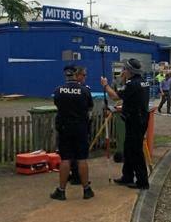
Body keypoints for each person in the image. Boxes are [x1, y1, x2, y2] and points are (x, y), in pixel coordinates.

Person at [101, 58, 150, 190]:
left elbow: (115, 96)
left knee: (135, 151)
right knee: (128, 149)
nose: (123, 71)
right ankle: (127, 176)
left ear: (129, 71)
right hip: (140, 118)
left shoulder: (132, 84)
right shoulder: (143, 82)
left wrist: (105, 85)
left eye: (124, 69)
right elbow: (133, 99)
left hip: (135, 121)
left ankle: (142, 181)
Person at [50, 65, 94, 201]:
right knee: (82, 159)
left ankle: (61, 191)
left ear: (66, 76)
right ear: (76, 75)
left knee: (65, 159)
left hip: (64, 128)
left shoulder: (58, 91)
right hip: (80, 128)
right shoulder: (84, 90)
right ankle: (86, 190)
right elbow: (89, 106)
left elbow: (57, 104)